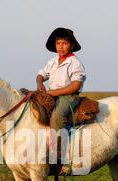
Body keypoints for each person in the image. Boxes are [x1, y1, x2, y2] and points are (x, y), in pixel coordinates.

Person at [36, 27, 86, 164]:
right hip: (52, 95)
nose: (61, 47)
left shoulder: (75, 63)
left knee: (58, 115)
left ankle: (58, 155)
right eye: (58, 44)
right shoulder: (52, 61)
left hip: (69, 96)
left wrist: (54, 92)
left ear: (71, 45)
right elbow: (41, 74)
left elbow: (76, 85)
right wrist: (40, 83)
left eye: (64, 43)